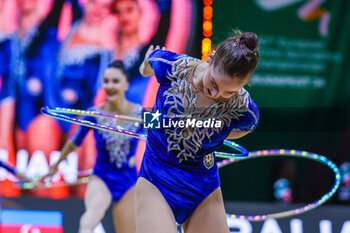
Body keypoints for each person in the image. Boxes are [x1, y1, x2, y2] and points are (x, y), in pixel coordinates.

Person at [136, 31, 260, 233]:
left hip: (203, 187)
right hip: (157, 178)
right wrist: (145, 65)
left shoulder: (244, 108)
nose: (216, 94)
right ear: (211, 57)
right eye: (214, 83)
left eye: (228, 92)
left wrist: (214, 129)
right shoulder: (174, 67)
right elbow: (147, 65)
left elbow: (245, 128)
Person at [46, 61, 142, 233]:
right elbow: (74, 142)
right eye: (106, 81)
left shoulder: (141, 114)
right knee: (89, 220)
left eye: (115, 81)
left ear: (126, 84)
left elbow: (165, 131)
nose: (110, 86)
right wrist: (55, 165)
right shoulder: (94, 114)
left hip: (129, 181)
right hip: (102, 178)